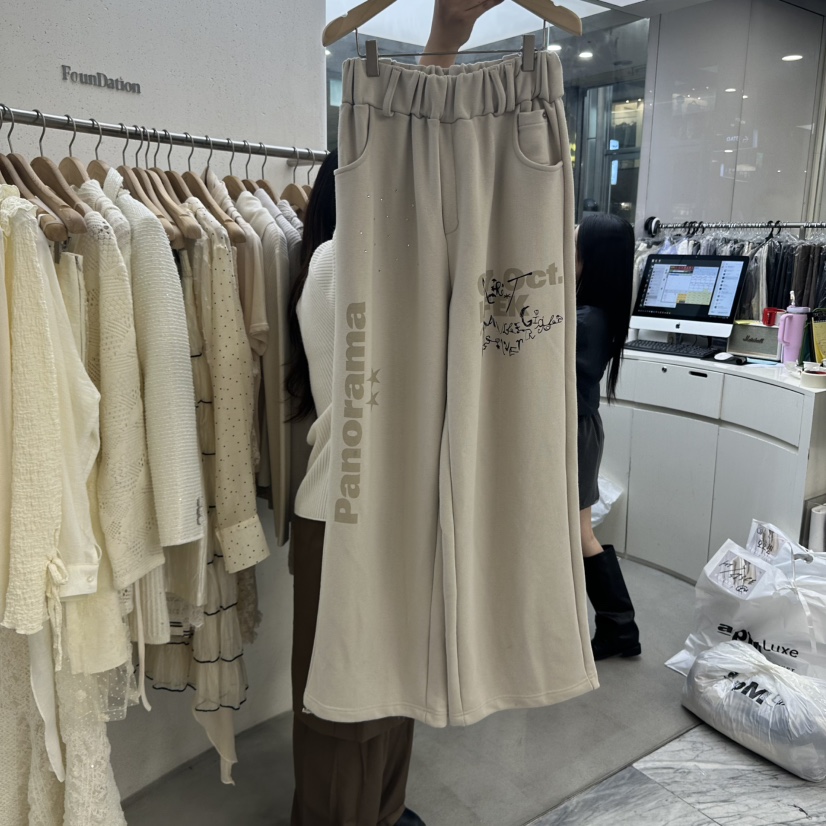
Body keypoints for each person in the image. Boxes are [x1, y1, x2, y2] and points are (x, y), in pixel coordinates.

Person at [285, 5, 505, 825]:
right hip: (340, 517)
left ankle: (381, 813)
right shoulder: (339, 265)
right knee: (343, 711)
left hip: (390, 512)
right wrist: (441, 47)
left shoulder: (385, 266)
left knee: (394, 689)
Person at [575, 212, 642, 660]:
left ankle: (620, 626)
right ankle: (619, 627)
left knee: (579, 532)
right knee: (576, 531)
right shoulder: (594, 314)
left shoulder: (586, 320)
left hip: (574, 433)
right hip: (579, 429)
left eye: (575, 244)